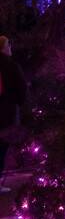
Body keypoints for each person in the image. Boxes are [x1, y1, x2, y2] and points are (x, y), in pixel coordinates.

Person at [0, 37, 28, 178]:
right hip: (6, 113)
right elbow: (22, 88)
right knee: (2, 146)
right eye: (8, 44)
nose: (10, 47)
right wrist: (19, 102)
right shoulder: (11, 66)